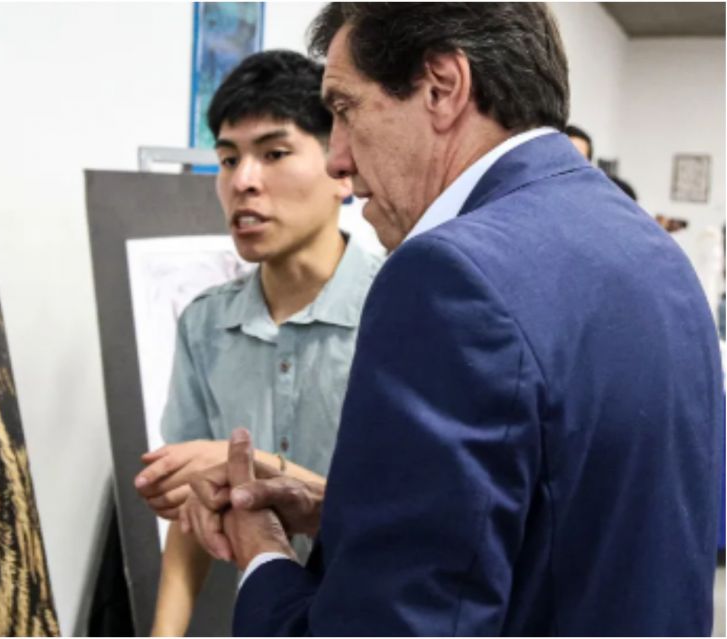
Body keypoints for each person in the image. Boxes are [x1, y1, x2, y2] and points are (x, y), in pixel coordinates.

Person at [180, 3, 724, 635]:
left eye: (346, 109)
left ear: (442, 87)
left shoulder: (448, 277)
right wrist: (346, 513)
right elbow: (572, 520)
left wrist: (262, 554)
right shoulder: (651, 251)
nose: (339, 157)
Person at [132, 49, 383, 636]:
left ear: (339, 170)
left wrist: (244, 464)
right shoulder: (205, 324)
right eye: (227, 159)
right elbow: (193, 511)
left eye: (274, 154)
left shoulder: (398, 309)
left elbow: (411, 514)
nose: (243, 181)